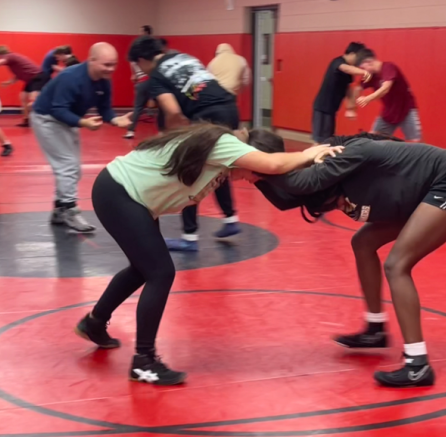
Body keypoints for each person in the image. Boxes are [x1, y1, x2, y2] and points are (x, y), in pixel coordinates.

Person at [74, 122, 341, 385]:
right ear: (250, 153)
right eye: (254, 172)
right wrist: (308, 153)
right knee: (160, 273)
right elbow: (271, 164)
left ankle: (95, 323)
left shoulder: (221, 157)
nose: (252, 179)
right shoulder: (225, 145)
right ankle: (144, 362)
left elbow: (277, 186)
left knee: (142, 269)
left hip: (129, 195)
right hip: (119, 192)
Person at [235, 132, 446, 388]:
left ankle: (417, 365)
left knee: (397, 265)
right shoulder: (323, 162)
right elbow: (287, 199)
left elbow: (304, 184)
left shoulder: (344, 154)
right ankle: (375, 331)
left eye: (255, 166)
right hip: (420, 191)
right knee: (363, 243)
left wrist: (259, 170)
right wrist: (257, 175)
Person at [128, 35, 243, 252]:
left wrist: (171, 136)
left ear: (142, 60)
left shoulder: (157, 76)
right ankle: (230, 220)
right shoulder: (184, 57)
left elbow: (172, 110)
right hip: (229, 108)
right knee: (219, 165)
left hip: (206, 116)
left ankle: (189, 237)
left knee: (188, 172)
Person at [31, 42, 132, 233]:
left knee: (73, 168)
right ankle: (70, 209)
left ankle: (60, 209)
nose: (111, 69)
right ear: (91, 60)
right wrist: (84, 123)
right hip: (47, 119)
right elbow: (58, 109)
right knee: (67, 165)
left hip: (68, 120)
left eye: (114, 64)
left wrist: (115, 119)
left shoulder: (104, 80)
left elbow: (104, 108)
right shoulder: (71, 77)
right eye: (106, 65)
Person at [355, 48, 422, 142]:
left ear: (369, 61)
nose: (364, 72)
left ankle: (424, 156)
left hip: (406, 110)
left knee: (415, 142)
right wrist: (352, 108)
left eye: (363, 68)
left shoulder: (388, 67)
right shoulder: (371, 76)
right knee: (373, 138)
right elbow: (358, 88)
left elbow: (385, 88)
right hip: (389, 113)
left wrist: (367, 98)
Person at [311, 42, 370, 144]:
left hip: (331, 109)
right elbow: (344, 68)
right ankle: (311, 159)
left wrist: (350, 108)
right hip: (322, 108)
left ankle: (323, 159)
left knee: (328, 140)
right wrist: (364, 72)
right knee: (319, 141)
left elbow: (348, 90)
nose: (359, 61)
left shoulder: (349, 73)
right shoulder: (338, 61)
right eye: (359, 57)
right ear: (352, 54)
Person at [0, 45, 48, 127]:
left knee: (33, 100)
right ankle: (27, 119)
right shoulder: (12, 60)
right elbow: (19, 73)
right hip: (30, 80)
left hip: (38, 77)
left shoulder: (10, 56)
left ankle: (41, 119)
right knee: (23, 97)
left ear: (1, 54)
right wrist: (9, 82)